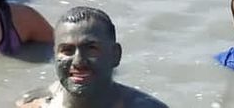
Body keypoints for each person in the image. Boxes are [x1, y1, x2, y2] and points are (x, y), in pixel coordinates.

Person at [17, 6, 167, 108]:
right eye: (67, 50)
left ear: (116, 55)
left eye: (91, 49)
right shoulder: (34, 103)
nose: (78, 62)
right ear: (54, 55)